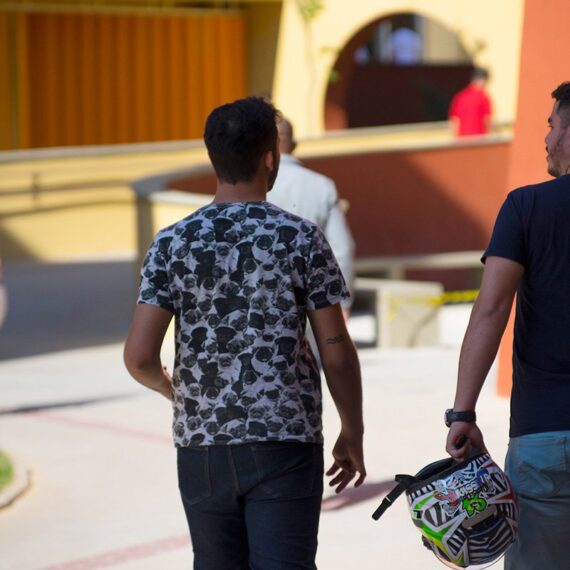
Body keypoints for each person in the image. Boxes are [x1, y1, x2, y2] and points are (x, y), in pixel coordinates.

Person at [124, 96, 366, 570]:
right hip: (285, 442)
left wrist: (171, 390)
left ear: (214, 158)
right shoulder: (299, 237)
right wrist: (351, 430)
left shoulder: (173, 242)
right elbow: (335, 350)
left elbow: (139, 358)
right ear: (270, 157)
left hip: (203, 448)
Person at [445, 82, 570, 569]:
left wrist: (461, 413)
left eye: (553, 126)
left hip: (545, 441)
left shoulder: (526, 207)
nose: (546, 140)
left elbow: (491, 309)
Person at [268, 117, 355, 319]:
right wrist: (343, 301)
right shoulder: (322, 185)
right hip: (316, 304)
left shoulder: (253, 186)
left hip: (267, 303)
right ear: (295, 145)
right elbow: (341, 249)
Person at [448, 68, 492, 137]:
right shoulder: (483, 97)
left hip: (462, 140)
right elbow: (487, 120)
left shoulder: (460, 96)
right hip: (479, 140)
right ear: (483, 80)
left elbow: (454, 121)